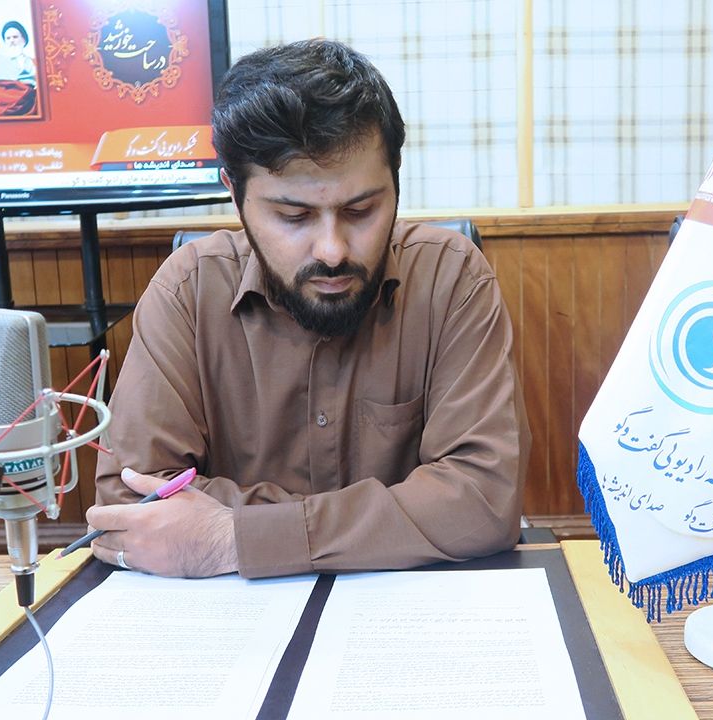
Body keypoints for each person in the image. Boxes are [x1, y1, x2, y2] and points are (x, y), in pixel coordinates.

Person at [87, 39, 530, 579]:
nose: (333, 250)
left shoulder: (450, 277)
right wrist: (397, 515)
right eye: (293, 216)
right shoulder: (189, 290)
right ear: (235, 194)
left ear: (396, 183)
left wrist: (232, 537)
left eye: (361, 210)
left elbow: (483, 499)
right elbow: (131, 502)